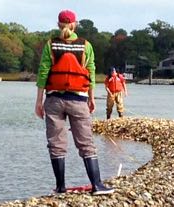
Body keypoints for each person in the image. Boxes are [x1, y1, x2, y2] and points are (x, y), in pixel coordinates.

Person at [34, 9, 114, 195]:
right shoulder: (86, 46)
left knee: (56, 144)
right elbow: (91, 72)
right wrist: (92, 97)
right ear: (74, 24)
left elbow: (43, 74)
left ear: (58, 25)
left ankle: (60, 187)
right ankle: (97, 185)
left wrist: (39, 101)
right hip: (79, 100)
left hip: (54, 100)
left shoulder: (50, 45)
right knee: (86, 143)